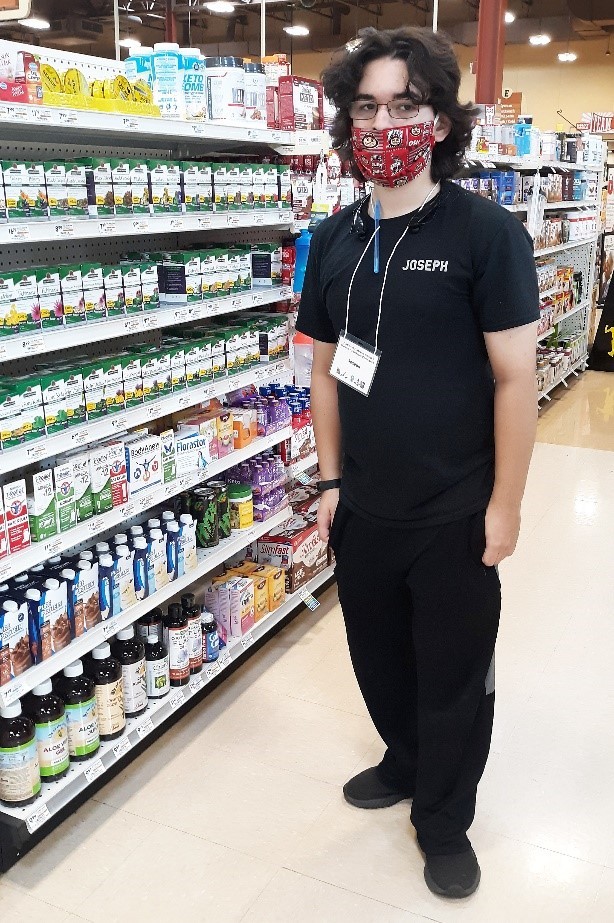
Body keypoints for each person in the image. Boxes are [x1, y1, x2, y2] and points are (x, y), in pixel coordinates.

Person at [296, 27, 539, 900]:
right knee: (379, 659)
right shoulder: (333, 238)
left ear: (439, 120)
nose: (384, 123)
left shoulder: (486, 232)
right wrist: (328, 481)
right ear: (346, 121)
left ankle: (443, 818)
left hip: (455, 510)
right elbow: (323, 366)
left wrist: (505, 506)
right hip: (362, 506)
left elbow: (515, 379)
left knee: (453, 677)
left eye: (405, 105)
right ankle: (404, 759)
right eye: (367, 107)